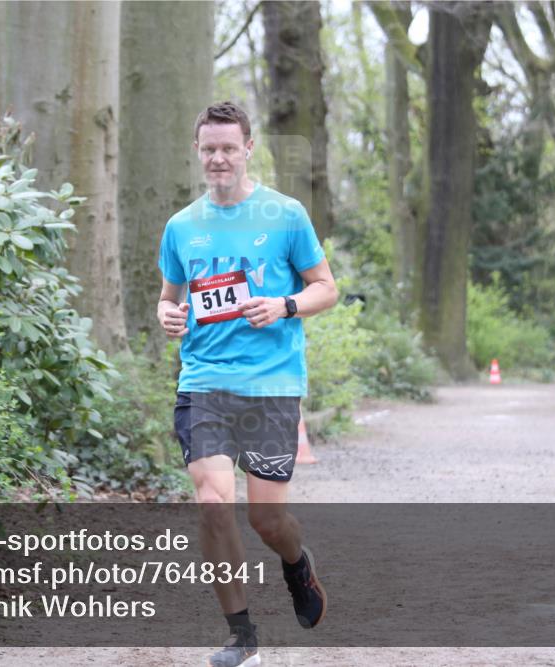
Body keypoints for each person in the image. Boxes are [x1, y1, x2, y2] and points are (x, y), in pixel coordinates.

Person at [156, 101, 338, 667]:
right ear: (197, 151)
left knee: (267, 520)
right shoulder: (181, 226)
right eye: (209, 149)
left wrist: (285, 305)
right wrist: (166, 314)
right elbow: (169, 298)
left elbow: (325, 288)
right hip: (204, 381)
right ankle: (241, 636)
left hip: (271, 384)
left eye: (228, 148)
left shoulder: (285, 215)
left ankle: (296, 563)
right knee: (213, 501)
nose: (218, 158)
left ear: (248, 149)